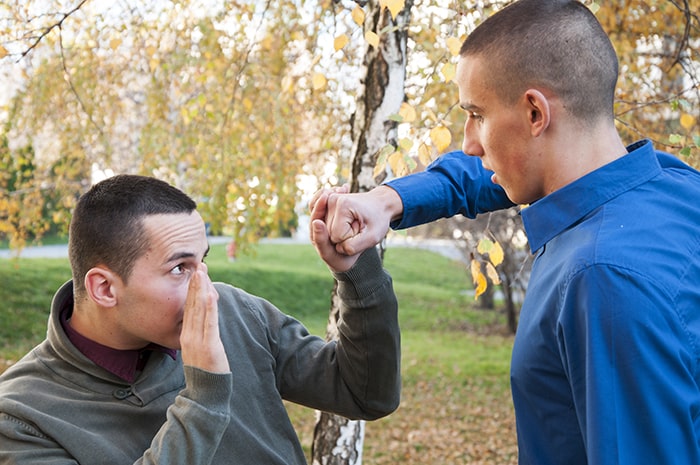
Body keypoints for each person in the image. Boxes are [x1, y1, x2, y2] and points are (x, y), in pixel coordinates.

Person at [314, 0, 700, 464]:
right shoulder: (671, 183)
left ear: (536, 114)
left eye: (476, 114)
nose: (468, 142)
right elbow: (489, 174)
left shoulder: (601, 277)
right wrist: (387, 201)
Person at [0, 174, 400, 464]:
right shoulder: (21, 417)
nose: (205, 289)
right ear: (105, 288)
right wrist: (205, 396)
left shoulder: (233, 311)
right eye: (179, 268)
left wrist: (358, 269)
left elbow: (365, 394)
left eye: (202, 261)